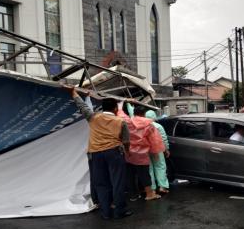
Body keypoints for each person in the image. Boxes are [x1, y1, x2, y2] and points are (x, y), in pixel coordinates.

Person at [69, 87, 132, 220]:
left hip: (95, 154)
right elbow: (126, 141)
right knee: (117, 182)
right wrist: (127, 151)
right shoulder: (121, 122)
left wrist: (73, 92)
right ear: (115, 109)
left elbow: (82, 106)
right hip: (115, 153)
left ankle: (106, 213)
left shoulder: (93, 117)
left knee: (101, 184)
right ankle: (120, 211)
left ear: (103, 108)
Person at [118, 102, 165, 201]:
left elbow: (120, 114)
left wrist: (122, 103)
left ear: (134, 113)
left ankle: (133, 195)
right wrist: (155, 152)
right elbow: (155, 140)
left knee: (130, 175)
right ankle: (149, 194)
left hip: (128, 152)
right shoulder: (149, 124)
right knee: (144, 174)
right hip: (142, 153)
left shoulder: (127, 121)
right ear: (144, 114)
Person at [145, 110, 171, 194]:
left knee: (149, 169)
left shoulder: (142, 125)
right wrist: (166, 149)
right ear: (154, 117)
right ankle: (162, 187)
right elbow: (164, 139)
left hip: (146, 150)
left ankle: (152, 189)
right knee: (160, 167)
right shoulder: (158, 126)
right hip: (157, 149)